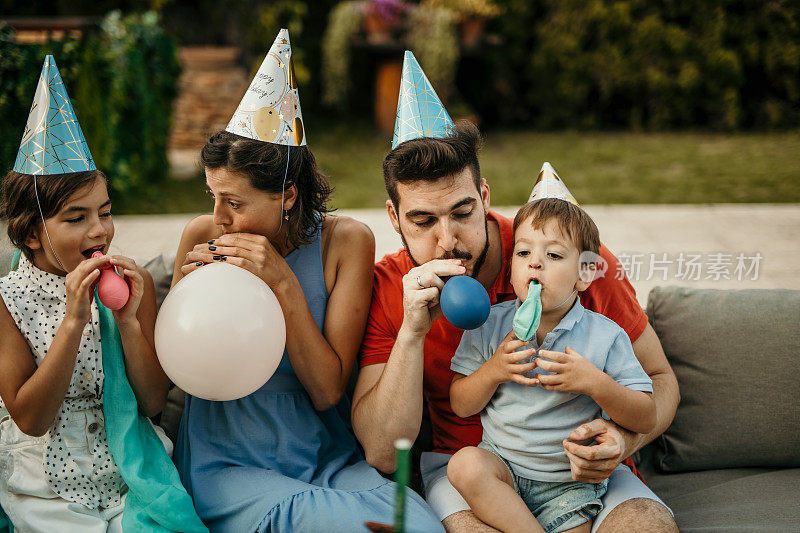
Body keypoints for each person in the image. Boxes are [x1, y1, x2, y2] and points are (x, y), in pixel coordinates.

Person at [352, 51, 679, 533]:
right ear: (394, 217)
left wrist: (621, 440)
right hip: (475, 469)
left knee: (647, 528)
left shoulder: (578, 262)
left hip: (584, 472)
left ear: (484, 197)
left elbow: (659, 378)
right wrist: (413, 333)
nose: (448, 240)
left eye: (462, 212)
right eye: (423, 220)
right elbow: (382, 450)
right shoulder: (389, 288)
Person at [171, 30, 442, 532]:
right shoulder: (203, 234)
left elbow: (326, 392)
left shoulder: (345, 243)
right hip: (228, 459)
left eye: (234, 202)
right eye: (213, 196)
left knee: (417, 524)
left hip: (324, 454)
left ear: (287, 195)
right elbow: (183, 362)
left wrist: (283, 284)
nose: (219, 218)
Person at [0, 56, 198, 533]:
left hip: (129, 474)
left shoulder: (134, 287)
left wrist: (129, 321)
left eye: (104, 212)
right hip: (45, 485)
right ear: (30, 233)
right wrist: (72, 321)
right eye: (76, 218)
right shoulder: (7, 301)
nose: (100, 230)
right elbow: (30, 417)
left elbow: (152, 403)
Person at [447, 197, 656, 532]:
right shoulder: (489, 326)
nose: (535, 264)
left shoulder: (605, 337)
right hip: (502, 472)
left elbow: (645, 416)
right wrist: (494, 371)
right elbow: (460, 404)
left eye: (554, 255)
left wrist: (595, 383)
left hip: (570, 484)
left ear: (584, 274)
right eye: (523, 252)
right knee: (464, 465)